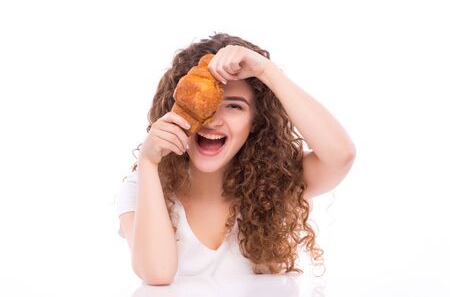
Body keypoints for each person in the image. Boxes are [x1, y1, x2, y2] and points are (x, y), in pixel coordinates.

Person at [115, 33, 356, 285]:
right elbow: (157, 274)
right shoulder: (141, 186)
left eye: (234, 106)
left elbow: (341, 156)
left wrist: (267, 72)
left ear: (256, 123)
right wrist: (148, 162)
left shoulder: (274, 181)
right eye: (202, 101)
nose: (212, 120)